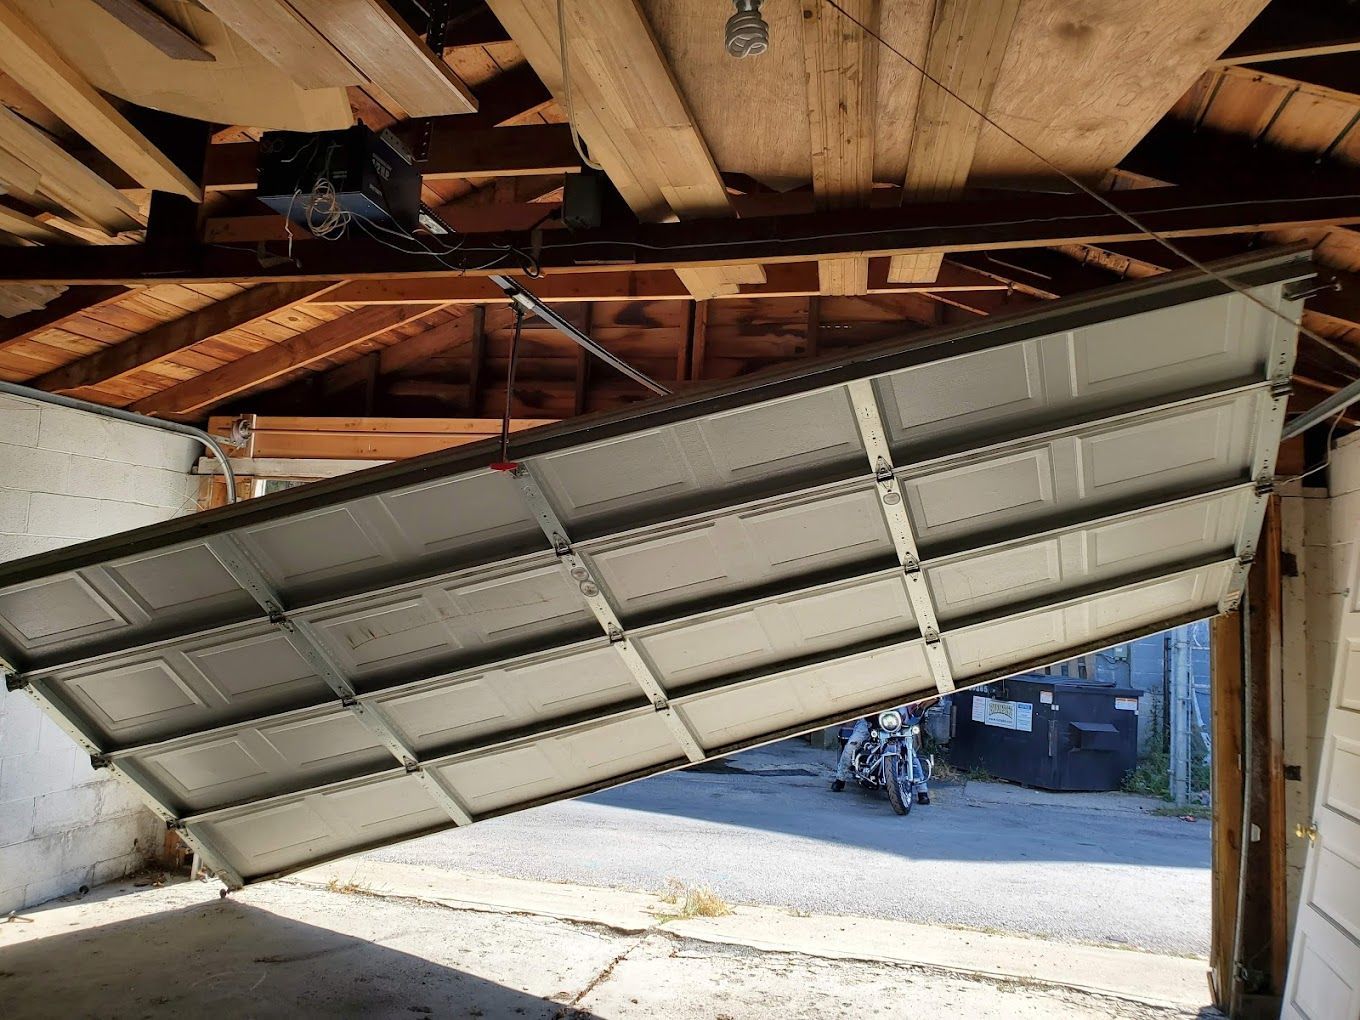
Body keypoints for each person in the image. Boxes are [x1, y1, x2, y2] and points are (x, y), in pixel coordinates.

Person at [831, 704, 931, 804]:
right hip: (870, 720)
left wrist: (919, 709)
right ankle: (840, 778)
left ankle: (922, 791)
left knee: (910, 752)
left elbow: (915, 705)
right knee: (851, 745)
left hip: (897, 719)